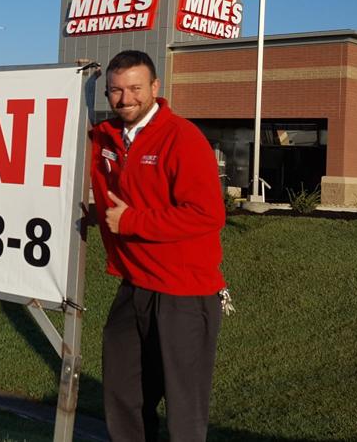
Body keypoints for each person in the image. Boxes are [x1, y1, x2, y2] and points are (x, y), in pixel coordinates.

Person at [89, 50, 227, 442]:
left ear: (154, 88)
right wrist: (96, 214)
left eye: (134, 88)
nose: (125, 98)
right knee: (123, 394)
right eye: (115, 90)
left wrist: (130, 222)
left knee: (184, 411)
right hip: (134, 285)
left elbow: (207, 214)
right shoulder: (108, 136)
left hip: (184, 292)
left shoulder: (182, 137)